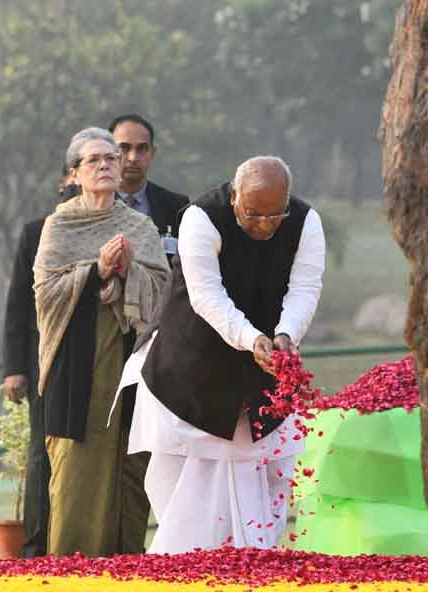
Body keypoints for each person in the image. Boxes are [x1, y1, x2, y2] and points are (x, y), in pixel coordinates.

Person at [119, 156, 325, 554]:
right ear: (234, 197)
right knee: (185, 483)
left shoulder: (306, 222)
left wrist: (285, 335)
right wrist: (253, 340)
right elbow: (207, 296)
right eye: (253, 214)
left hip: (265, 369)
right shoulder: (200, 217)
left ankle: (253, 559)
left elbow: (304, 288)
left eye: (274, 215)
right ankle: (184, 562)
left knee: (265, 479)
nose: (264, 225)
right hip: (192, 369)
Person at [33, 127, 169, 556]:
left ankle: (126, 568)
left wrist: (130, 272)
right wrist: (98, 270)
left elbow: (163, 288)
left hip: (129, 363)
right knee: (75, 475)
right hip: (76, 367)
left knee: (130, 472)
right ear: (74, 172)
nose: (108, 164)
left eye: (112, 157)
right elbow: (46, 292)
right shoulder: (60, 226)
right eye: (95, 159)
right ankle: (73, 571)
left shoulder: (138, 227)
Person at [1, 166, 79, 557]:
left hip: (90, 357)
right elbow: (17, 305)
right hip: (41, 358)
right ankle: (35, 544)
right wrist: (14, 367)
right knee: (40, 451)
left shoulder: (110, 232)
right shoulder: (36, 232)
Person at [108, 114, 188, 257]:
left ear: (153, 152)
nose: (133, 158)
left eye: (142, 148)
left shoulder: (176, 207)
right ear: (108, 152)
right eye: (124, 148)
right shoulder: (90, 205)